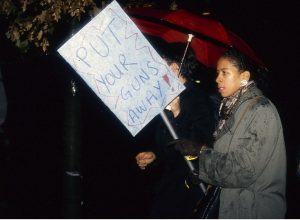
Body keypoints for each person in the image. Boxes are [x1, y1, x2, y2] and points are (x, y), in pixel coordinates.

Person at [174, 48, 287, 218]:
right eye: (218, 72)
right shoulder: (232, 109)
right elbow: (227, 155)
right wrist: (204, 172)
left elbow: (243, 170)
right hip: (235, 207)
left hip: (253, 210)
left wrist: (201, 153)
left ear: (244, 77)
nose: (217, 78)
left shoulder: (260, 110)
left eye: (225, 73)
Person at [135, 43, 217, 218]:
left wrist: (178, 113)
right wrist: (154, 155)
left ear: (174, 68)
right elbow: (165, 138)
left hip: (187, 185)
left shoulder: (197, 98)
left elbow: (200, 143)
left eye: (160, 64)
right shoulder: (166, 92)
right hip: (167, 180)